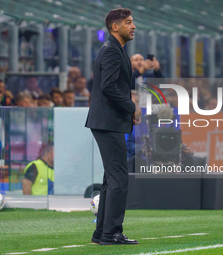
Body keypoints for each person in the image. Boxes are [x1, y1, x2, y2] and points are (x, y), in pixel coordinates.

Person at [85, 8, 141, 245]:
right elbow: (108, 87)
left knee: (111, 177)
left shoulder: (115, 50)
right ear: (115, 27)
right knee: (119, 177)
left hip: (107, 121)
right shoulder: (111, 51)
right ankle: (112, 233)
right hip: (107, 122)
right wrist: (131, 107)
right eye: (128, 22)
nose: (133, 26)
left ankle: (102, 233)